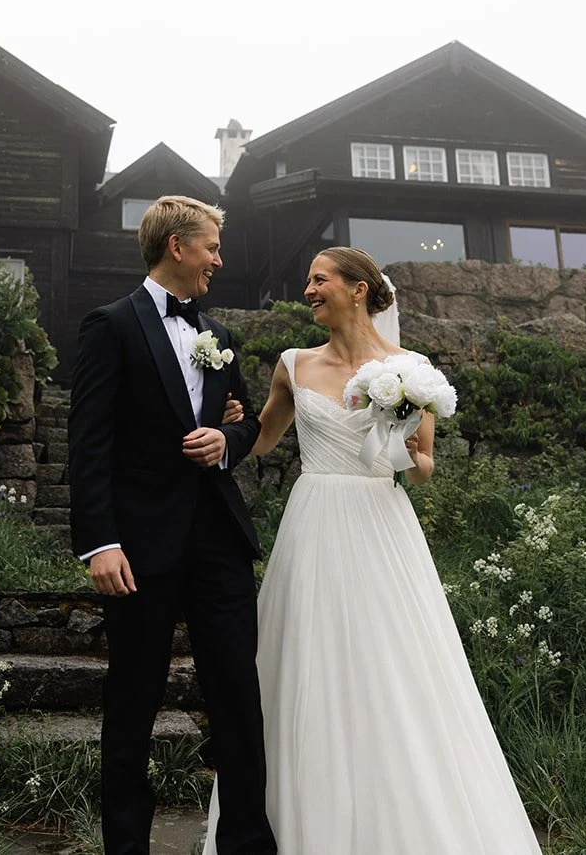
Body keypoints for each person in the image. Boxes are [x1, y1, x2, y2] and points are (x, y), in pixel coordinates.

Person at [204, 246, 543, 853]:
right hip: (313, 524)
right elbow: (261, 441)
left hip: (381, 523)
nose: (307, 289)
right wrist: (228, 424)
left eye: (318, 279)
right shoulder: (292, 364)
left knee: (393, 663)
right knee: (305, 663)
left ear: (358, 288)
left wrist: (409, 450)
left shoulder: (412, 370)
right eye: (307, 279)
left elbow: (425, 468)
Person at [68, 195, 278, 855]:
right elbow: (89, 442)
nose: (219, 258)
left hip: (218, 541)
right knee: (131, 705)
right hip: (138, 546)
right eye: (212, 245)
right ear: (177, 246)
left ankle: (246, 843)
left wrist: (227, 439)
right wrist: (100, 542)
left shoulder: (218, 336)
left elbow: (246, 423)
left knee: (240, 702)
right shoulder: (110, 325)